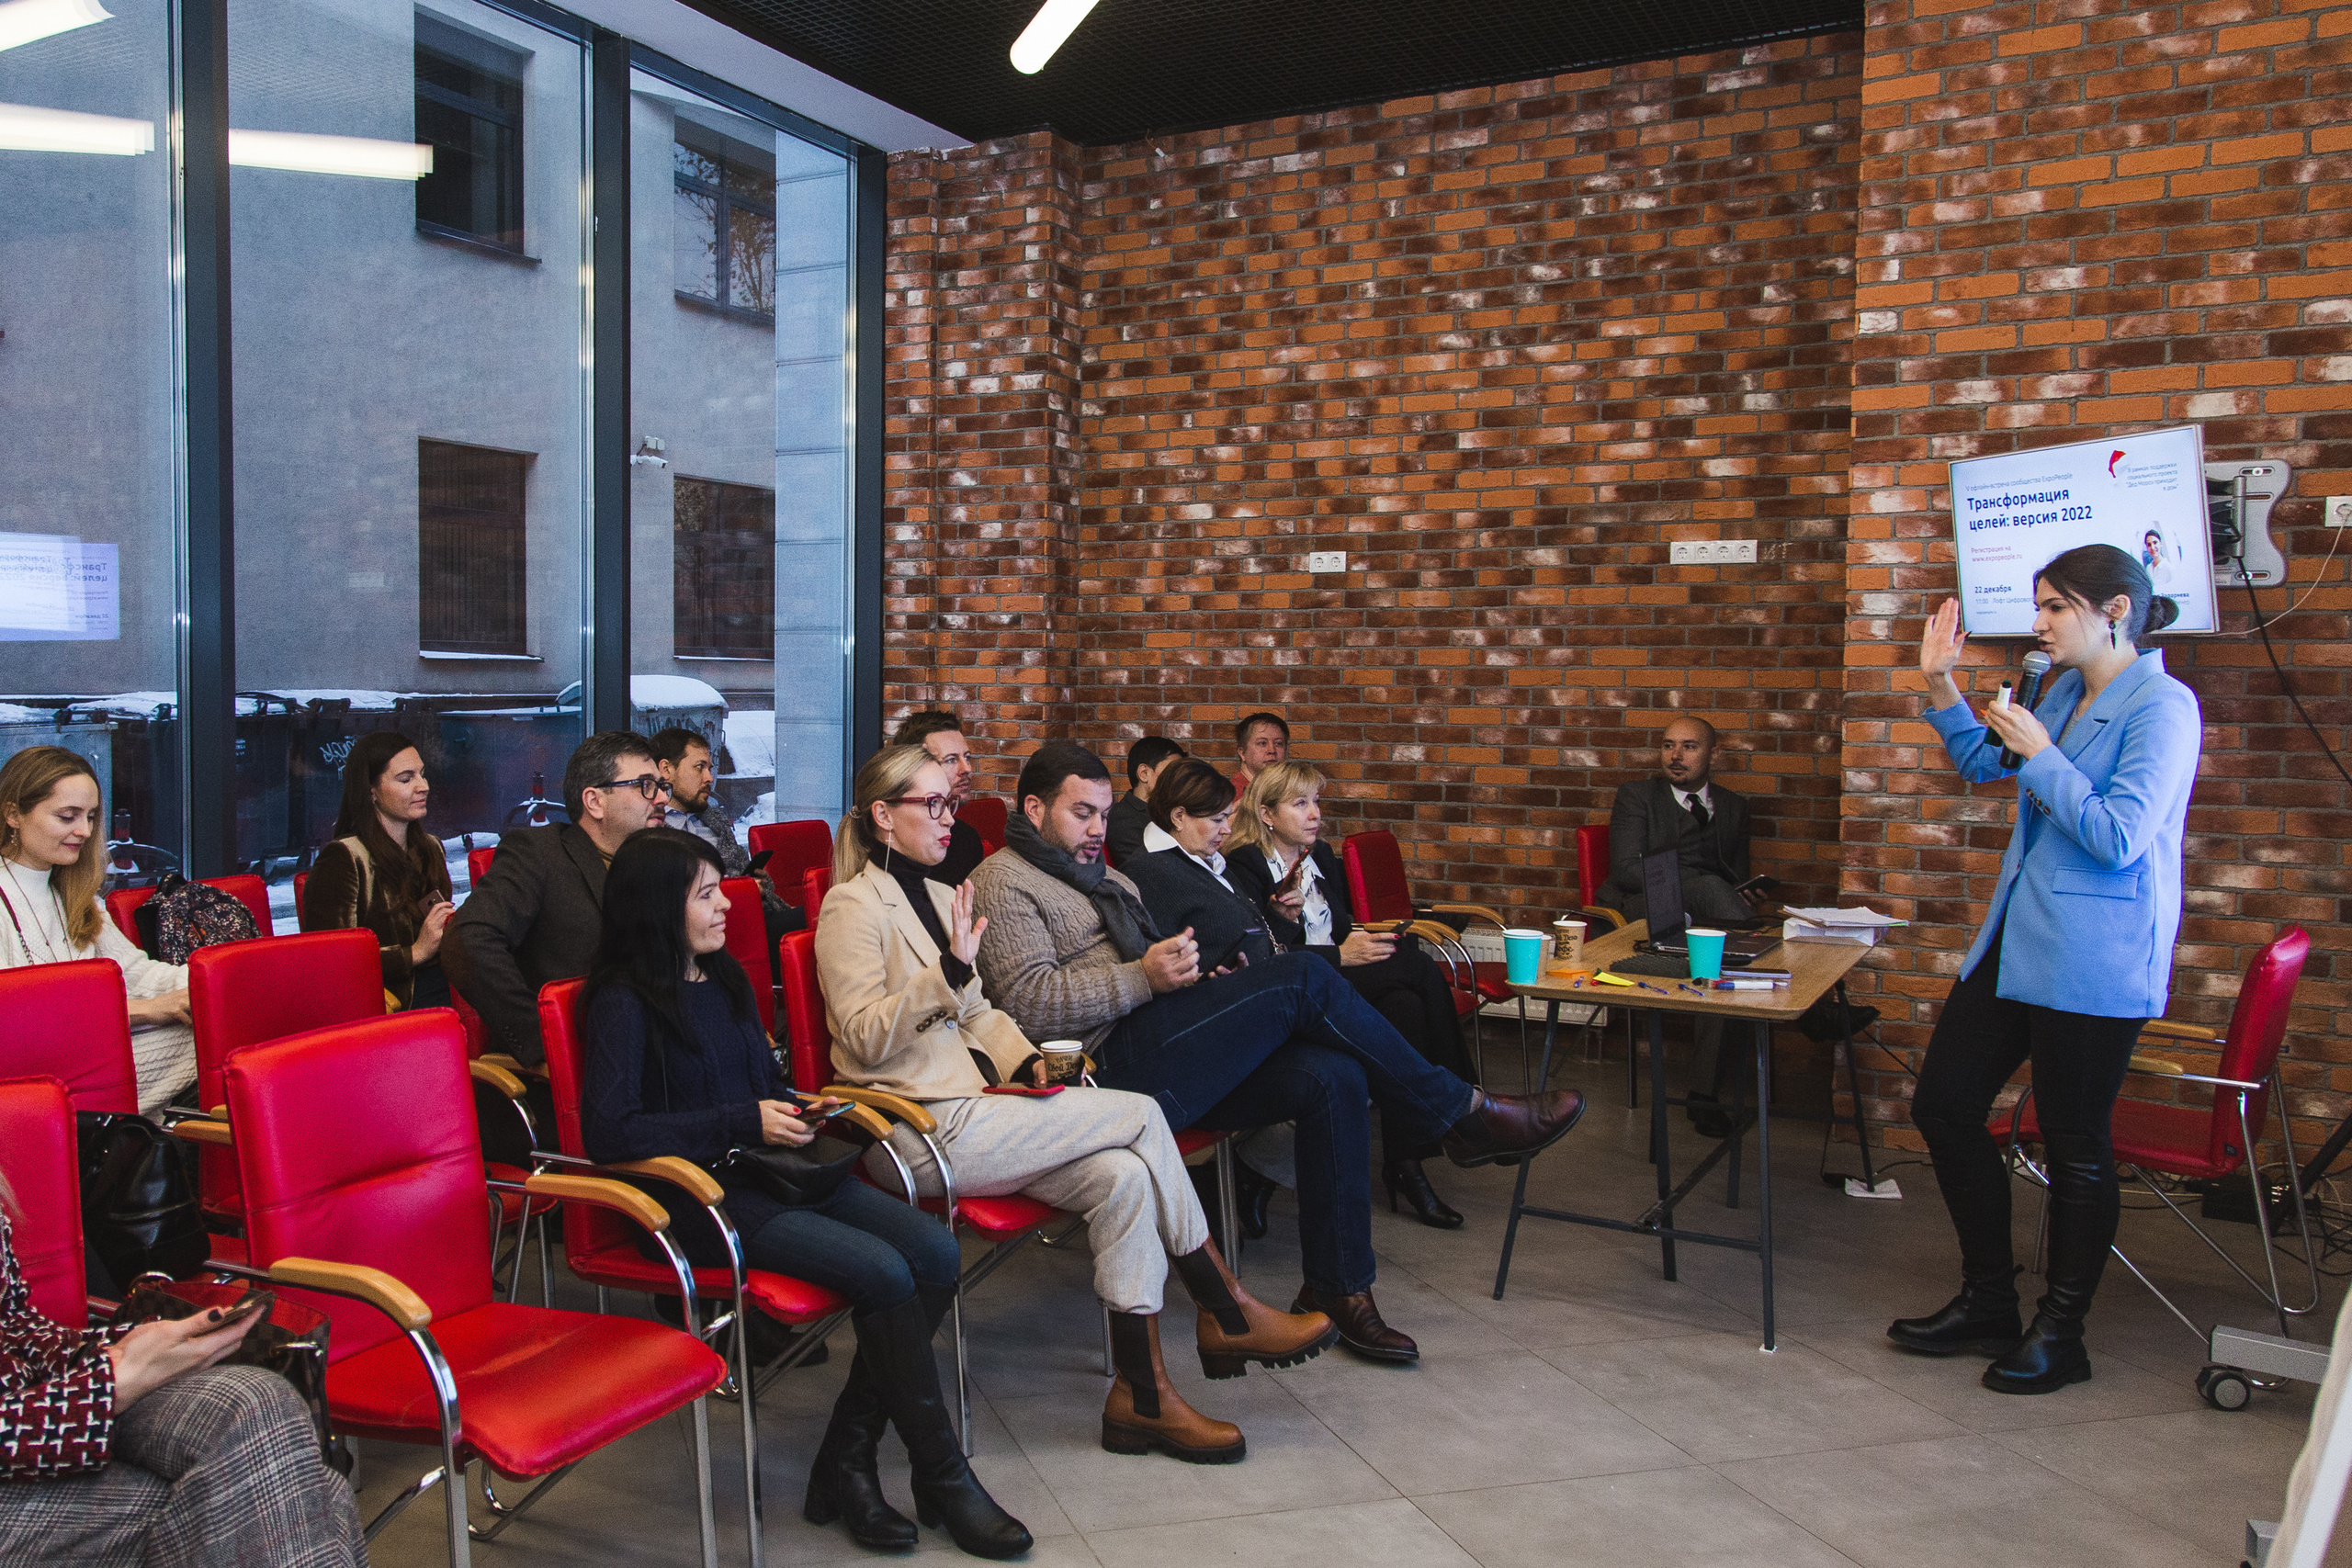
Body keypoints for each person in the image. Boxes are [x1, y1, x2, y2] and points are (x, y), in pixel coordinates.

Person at [968, 741, 1585, 1365]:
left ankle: (1340, 1287)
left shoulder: (1107, 875)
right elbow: (1029, 1006)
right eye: (1084, 814)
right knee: (1307, 978)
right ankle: (1461, 1114)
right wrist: (1145, 978)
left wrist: (1196, 977)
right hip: (1098, 1075)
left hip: (1158, 1032)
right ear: (1034, 807)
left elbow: (1150, 967)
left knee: (1333, 1074)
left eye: (1105, 814)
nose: (1100, 829)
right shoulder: (1002, 881)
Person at [815, 745, 1334, 1475]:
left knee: (1123, 1174)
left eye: (949, 803)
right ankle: (1225, 1306)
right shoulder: (851, 906)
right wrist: (950, 972)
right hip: (914, 1128)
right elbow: (865, 1035)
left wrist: (1030, 1061)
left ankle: (1141, 1395)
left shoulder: (937, 897)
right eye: (930, 805)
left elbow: (979, 1013)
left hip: (979, 1108)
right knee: (1143, 1115)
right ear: (882, 817)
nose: (948, 817)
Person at [578, 828, 1028, 1560]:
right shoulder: (623, 1001)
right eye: (704, 894)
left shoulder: (720, 978)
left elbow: (762, 1084)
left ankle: (845, 1460)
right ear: (658, 908)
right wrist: (740, 1118)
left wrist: (794, 1108)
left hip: (770, 1167)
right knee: (883, 1272)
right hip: (694, 1201)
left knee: (935, 1249)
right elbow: (610, 1130)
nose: (726, 903)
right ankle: (941, 1475)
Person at [1891, 545, 2197, 1395]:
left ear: (2116, 612)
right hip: (2017, 940)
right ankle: (1990, 1298)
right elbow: (1987, 765)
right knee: (1944, 1104)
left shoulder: (2163, 707)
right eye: (2040, 606)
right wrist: (1942, 685)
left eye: (2056, 607)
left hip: (2094, 956)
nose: (2040, 623)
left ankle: (2063, 1331)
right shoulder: (2061, 690)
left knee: (2075, 1144)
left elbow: (2118, 836)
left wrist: (2046, 754)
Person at [0, 1182, 368, 1566]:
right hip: (38, 1422)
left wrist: (115, 1350)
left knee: (253, 1403)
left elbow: (11, 1321)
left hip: (37, 1398)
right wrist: (98, 1394)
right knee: (299, 1489)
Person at [1226, 761, 1476, 1229]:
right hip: (1302, 987)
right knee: (1419, 968)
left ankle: (1407, 1162)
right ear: (1266, 813)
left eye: (1316, 801)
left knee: (1406, 1006)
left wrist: (1349, 948)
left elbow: (1339, 927)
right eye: (1300, 804)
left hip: (1336, 975)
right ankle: (1460, 1113)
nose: (1314, 813)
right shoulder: (1247, 865)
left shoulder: (1318, 857)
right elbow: (1269, 957)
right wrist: (1341, 953)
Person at [443, 730, 671, 1068]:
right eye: (645, 786)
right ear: (595, 801)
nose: (663, 799)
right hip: (583, 1063)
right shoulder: (539, 853)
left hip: (662, 1054)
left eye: (662, 786)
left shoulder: (660, 862)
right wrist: (547, 1041)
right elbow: (468, 941)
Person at [0, 747, 193, 1115]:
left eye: (90, 817)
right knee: (203, 1043)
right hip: (25, 1080)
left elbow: (136, 973)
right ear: (13, 815)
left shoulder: (74, 894)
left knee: (212, 1032)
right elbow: (15, 1022)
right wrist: (145, 1011)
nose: (85, 831)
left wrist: (212, 982)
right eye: (67, 816)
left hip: (82, 1063)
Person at [1599, 716, 1762, 1135]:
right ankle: (1796, 995)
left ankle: (1702, 1094)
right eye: (1669, 745)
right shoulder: (1638, 796)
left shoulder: (1733, 807)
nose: (1676, 755)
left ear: (1713, 754)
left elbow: (1736, 879)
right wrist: (1702, 884)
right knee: (1720, 910)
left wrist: (1743, 893)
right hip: (1647, 910)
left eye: (1689, 747)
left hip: (1709, 918)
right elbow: (1626, 872)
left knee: (1719, 965)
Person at [299, 731, 456, 1010]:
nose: (423, 786)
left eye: (422, 774)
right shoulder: (344, 858)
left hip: (447, 979)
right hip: (393, 1002)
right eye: (406, 779)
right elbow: (330, 962)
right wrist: (414, 953)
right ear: (371, 791)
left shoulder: (430, 848)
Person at [647, 726, 806, 947]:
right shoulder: (651, 829)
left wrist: (755, 883)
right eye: (699, 768)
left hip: (754, 915)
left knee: (823, 914)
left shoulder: (714, 820)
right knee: (824, 917)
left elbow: (751, 877)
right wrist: (737, 891)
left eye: (710, 769)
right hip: (712, 929)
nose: (709, 778)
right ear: (666, 769)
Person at [890, 710, 987, 886]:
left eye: (967, 757)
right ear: (916, 765)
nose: (966, 769)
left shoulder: (966, 839)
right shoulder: (892, 840)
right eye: (951, 760)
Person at [1104, 736, 1184, 870]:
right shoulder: (1122, 818)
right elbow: (1151, 869)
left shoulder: (1170, 811)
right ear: (1144, 773)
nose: (1179, 779)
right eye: (1172, 771)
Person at [1229, 711, 1288, 798]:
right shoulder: (1231, 796)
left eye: (1278, 743)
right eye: (1262, 743)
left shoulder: (1288, 792)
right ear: (1242, 753)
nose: (1272, 750)